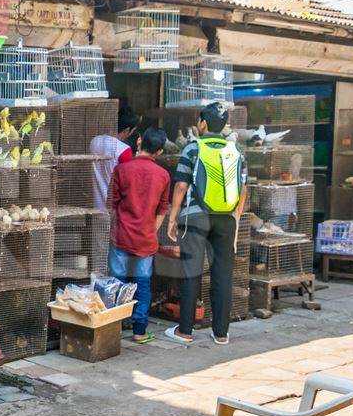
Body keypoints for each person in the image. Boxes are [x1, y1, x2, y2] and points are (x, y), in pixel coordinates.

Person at [164, 102, 247, 345]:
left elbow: (180, 185)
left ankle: (185, 331)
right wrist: (236, 218)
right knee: (223, 275)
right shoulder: (237, 150)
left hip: (196, 217)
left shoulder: (192, 148)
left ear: (203, 123)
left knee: (191, 273)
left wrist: (172, 218)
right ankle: (221, 333)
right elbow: (243, 189)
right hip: (227, 219)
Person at [108, 128, 171, 343]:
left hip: (122, 236)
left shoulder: (122, 170)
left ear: (139, 141)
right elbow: (162, 209)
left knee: (117, 282)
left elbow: (113, 203)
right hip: (146, 239)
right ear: (160, 151)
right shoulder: (163, 175)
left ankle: (112, 329)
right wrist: (150, 231)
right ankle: (139, 331)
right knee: (142, 284)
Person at [90, 106, 140, 211]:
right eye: (133, 131)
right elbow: (127, 182)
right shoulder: (124, 150)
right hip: (114, 208)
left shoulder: (94, 141)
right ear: (127, 130)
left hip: (96, 205)